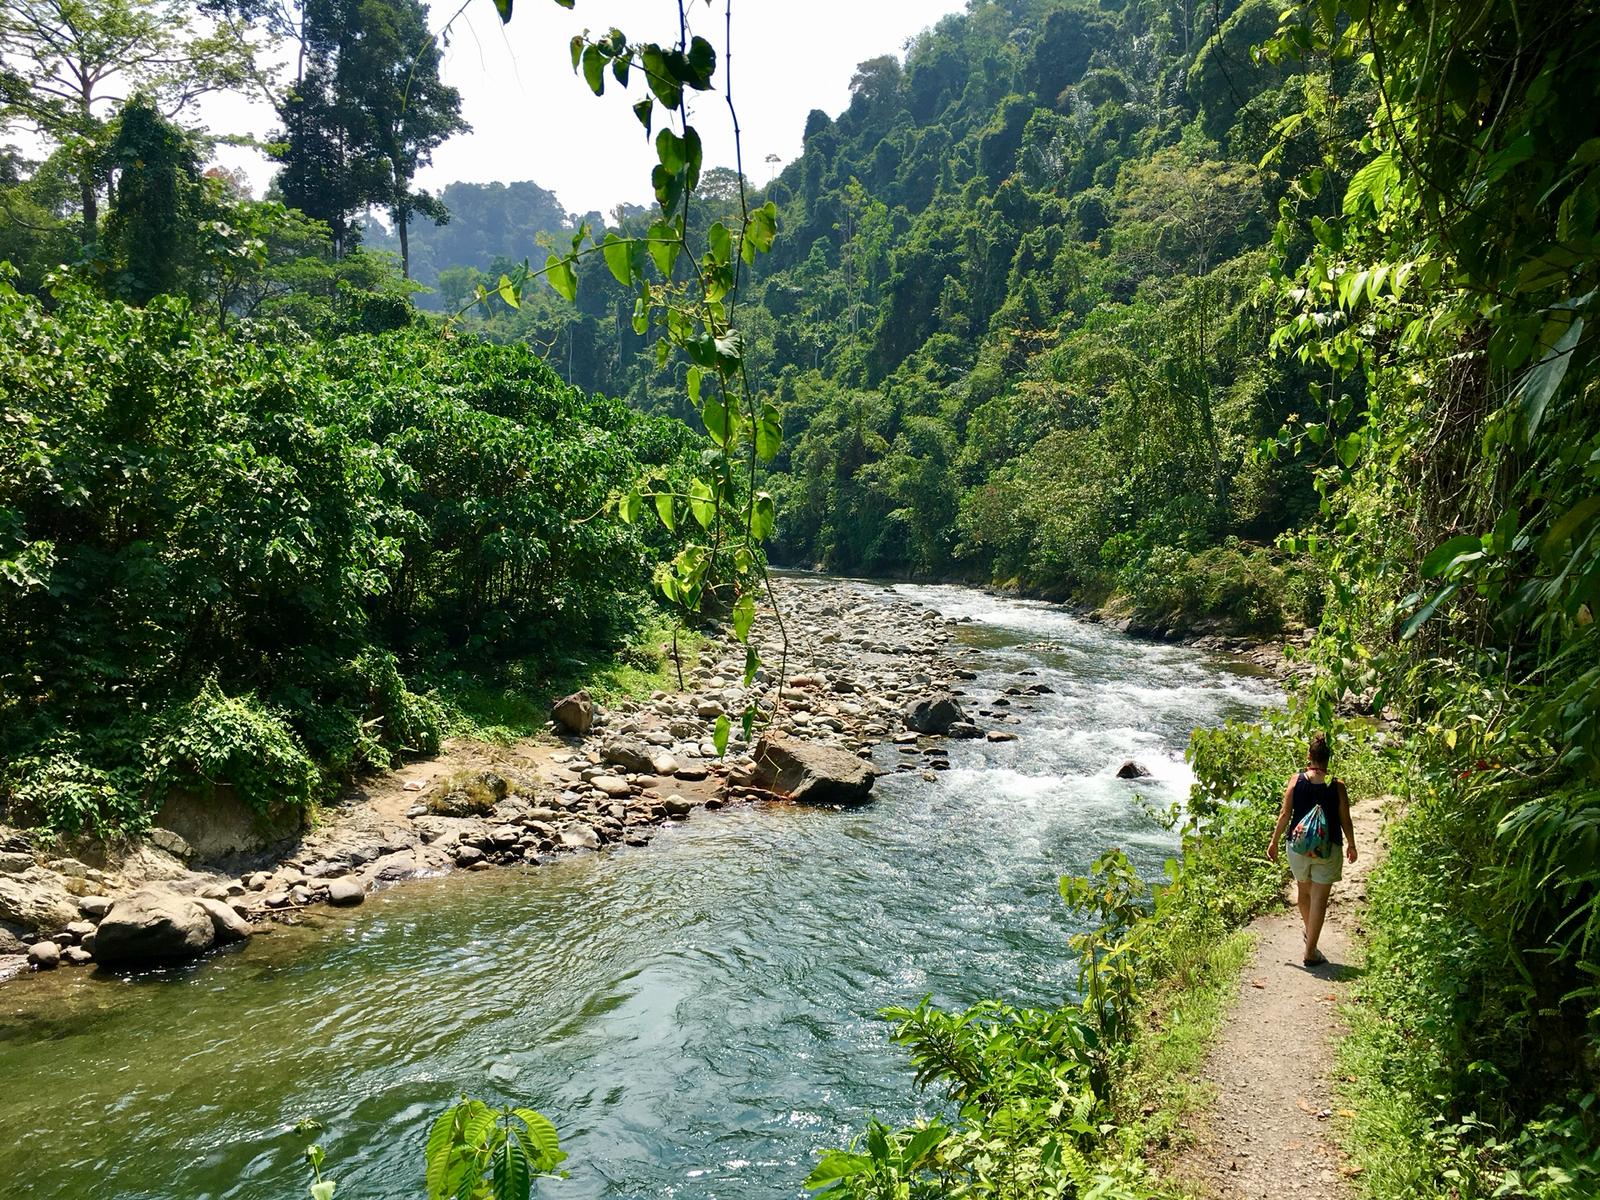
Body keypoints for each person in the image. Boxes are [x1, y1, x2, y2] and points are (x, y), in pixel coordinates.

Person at [1267, 732, 1357, 967]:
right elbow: (1345, 819)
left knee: (1303, 893)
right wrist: (1352, 844)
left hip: (1298, 848)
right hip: (1328, 849)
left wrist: (1274, 841)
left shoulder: (1296, 781)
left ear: (1309, 756)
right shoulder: (1337, 785)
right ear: (1328, 759)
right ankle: (1310, 951)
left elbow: (1285, 814)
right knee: (1319, 899)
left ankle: (1311, 940)